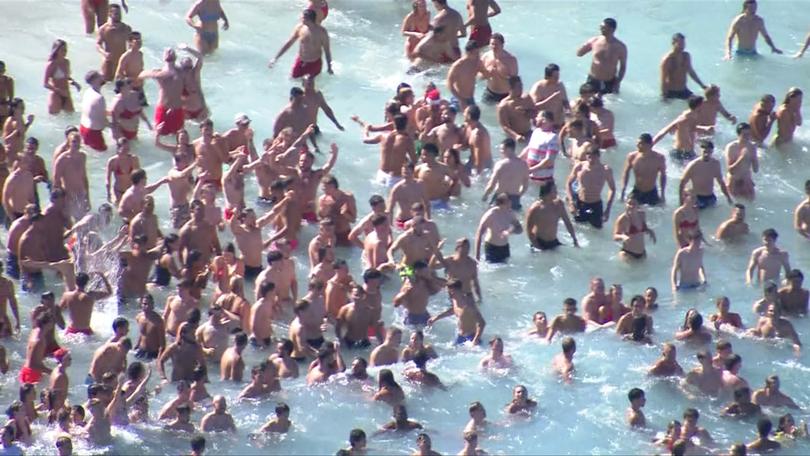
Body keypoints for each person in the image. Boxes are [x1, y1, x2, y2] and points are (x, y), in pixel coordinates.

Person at [269, 9, 333, 78]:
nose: (300, 19)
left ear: (308, 19)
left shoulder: (321, 32)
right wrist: (275, 58)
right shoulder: (300, 28)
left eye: (302, 17)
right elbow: (289, 43)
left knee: (309, 84)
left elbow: (327, 51)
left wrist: (329, 67)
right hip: (301, 61)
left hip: (314, 63)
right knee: (292, 79)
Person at [566, 147, 616, 229]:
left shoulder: (606, 170)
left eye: (594, 157)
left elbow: (612, 189)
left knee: (597, 230)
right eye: (589, 157)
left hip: (596, 204)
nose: (591, 160)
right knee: (578, 228)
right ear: (586, 156)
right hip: (580, 203)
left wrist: (608, 209)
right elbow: (568, 183)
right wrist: (571, 202)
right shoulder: (579, 167)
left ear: (599, 156)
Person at [140, 48, 184, 137]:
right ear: (163, 57)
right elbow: (141, 75)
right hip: (163, 108)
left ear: (176, 57)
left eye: (172, 51)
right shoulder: (159, 73)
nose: (169, 52)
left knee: (179, 137)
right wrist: (155, 74)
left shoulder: (181, 71)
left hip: (177, 109)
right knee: (159, 135)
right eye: (167, 51)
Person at [653, 96, 713, 162]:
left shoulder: (693, 116)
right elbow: (664, 131)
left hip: (689, 153)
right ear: (699, 106)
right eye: (703, 104)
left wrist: (705, 129)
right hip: (680, 154)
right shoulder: (683, 119)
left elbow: (691, 128)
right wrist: (651, 145)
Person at [576, 18, 627, 95]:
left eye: (603, 27)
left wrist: (617, 82)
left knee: (608, 105)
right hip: (593, 80)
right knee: (588, 103)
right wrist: (584, 46)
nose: (600, 29)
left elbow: (623, 67)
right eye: (601, 27)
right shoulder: (594, 41)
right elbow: (579, 54)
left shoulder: (620, 47)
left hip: (610, 81)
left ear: (612, 29)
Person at [678, 140, 733, 210]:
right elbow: (682, 183)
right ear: (701, 151)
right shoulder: (693, 165)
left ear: (712, 152)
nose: (707, 154)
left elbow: (721, 182)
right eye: (705, 152)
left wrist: (728, 197)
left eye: (709, 152)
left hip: (710, 197)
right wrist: (681, 203)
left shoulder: (715, 164)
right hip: (697, 198)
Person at [525, 181, 579, 251]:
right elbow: (528, 229)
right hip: (539, 242)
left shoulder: (559, 204)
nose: (557, 192)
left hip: (554, 241)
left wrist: (574, 239)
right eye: (554, 190)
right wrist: (536, 246)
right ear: (547, 193)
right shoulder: (536, 208)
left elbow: (567, 222)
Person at [429, 279, 485, 345]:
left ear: (456, 291)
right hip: (460, 336)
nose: (448, 294)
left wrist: (476, 339)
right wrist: (436, 318)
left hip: (472, 338)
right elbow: (454, 310)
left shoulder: (469, 304)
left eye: (449, 292)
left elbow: (482, 323)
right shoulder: (454, 300)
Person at [481, 138, 529, 210]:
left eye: (502, 149)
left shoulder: (500, 164)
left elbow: (491, 185)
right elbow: (525, 186)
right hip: (515, 199)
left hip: (500, 198)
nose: (501, 152)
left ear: (509, 149)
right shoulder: (524, 165)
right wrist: (518, 196)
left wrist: (485, 196)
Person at [620, 134, 667, 206]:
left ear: (649, 145)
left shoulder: (659, 158)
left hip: (651, 192)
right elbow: (626, 173)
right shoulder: (632, 156)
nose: (637, 145)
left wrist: (663, 194)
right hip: (637, 191)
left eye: (640, 143)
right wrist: (623, 190)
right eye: (638, 143)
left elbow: (663, 175)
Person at [474, 193, 522, 263]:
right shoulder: (491, 215)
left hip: (504, 247)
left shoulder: (510, 213)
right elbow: (479, 234)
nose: (510, 204)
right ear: (501, 204)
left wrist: (509, 231)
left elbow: (520, 229)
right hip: (492, 247)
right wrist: (477, 257)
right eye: (508, 202)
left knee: (504, 270)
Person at [660, 33, 706, 100]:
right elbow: (663, 80)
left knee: (700, 102)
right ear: (673, 43)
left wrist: (702, 85)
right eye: (680, 44)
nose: (682, 46)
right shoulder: (668, 60)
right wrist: (664, 96)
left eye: (683, 44)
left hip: (684, 90)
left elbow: (691, 72)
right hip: (671, 92)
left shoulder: (686, 56)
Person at [520, 110, 559, 184]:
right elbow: (528, 148)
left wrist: (531, 170)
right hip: (530, 176)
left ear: (544, 120)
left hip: (543, 179)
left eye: (538, 117)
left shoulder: (553, 137)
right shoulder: (536, 131)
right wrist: (516, 160)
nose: (536, 118)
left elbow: (549, 160)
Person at [44, 40, 81, 115]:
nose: (65, 52)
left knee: (71, 117)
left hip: (67, 93)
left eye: (66, 50)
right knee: (55, 120)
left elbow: (67, 77)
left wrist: (74, 83)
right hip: (56, 95)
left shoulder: (66, 62)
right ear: (56, 50)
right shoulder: (51, 64)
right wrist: (59, 91)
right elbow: (45, 83)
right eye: (62, 50)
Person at [96, 4, 132, 81]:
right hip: (109, 62)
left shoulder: (126, 28)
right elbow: (98, 44)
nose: (119, 16)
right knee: (107, 84)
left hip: (122, 61)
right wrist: (104, 53)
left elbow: (131, 43)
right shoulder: (103, 29)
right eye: (116, 14)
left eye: (120, 14)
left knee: (123, 84)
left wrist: (130, 55)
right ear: (109, 14)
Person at [613, 196, 655, 260]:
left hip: (642, 252)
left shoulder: (642, 214)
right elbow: (615, 236)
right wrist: (623, 237)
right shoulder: (623, 219)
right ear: (625, 204)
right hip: (628, 253)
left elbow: (643, 229)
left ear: (638, 205)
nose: (631, 206)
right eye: (629, 203)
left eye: (634, 204)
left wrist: (650, 231)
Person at [478, 33, 515, 104]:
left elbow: (514, 80)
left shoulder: (511, 59)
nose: (494, 47)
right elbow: (478, 77)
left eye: (496, 44)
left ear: (502, 45)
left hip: (506, 95)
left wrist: (503, 76)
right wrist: (486, 74)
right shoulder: (485, 57)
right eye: (492, 44)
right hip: (490, 92)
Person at [446, 42, 482, 112]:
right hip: (458, 98)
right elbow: (449, 84)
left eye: (478, 52)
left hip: (471, 98)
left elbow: (483, 73)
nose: (478, 55)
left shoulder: (476, 61)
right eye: (475, 53)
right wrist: (460, 99)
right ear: (468, 53)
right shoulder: (458, 66)